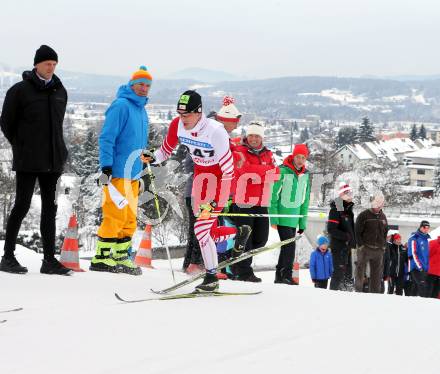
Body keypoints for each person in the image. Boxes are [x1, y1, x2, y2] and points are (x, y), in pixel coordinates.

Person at [143, 90, 251, 292]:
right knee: (204, 232)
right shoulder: (177, 125)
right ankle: (236, 236)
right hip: (201, 181)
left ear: (198, 112)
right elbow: (165, 151)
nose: (183, 119)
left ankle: (211, 278)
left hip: (219, 182)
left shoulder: (215, 131)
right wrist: (152, 157)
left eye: (187, 115)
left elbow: (228, 171)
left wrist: (219, 199)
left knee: (201, 229)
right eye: (180, 114)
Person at [0, 45, 71, 275]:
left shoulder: (60, 91)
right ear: (36, 65)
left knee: (49, 209)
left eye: (54, 64)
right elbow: (6, 123)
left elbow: (57, 126)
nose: (51, 68)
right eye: (47, 63)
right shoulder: (20, 91)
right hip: (28, 159)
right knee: (21, 205)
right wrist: (21, 146)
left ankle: (49, 260)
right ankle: (8, 257)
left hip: (53, 160)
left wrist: (60, 151)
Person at [89, 66, 153, 275]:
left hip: (133, 173)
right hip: (116, 172)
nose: (144, 88)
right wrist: (106, 167)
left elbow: (137, 141)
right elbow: (107, 138)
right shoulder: (121, 106)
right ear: (132, 85)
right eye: (140, 84)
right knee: (115, 215)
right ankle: (101, 257)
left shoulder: (141, 109)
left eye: (147, 85)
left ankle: (120, 255)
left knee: (130, 217)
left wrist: (144, 158)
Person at [229, 122, 277, 282]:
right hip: (243, 200)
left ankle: (235, 261)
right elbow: (244, 171)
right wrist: (265, 171)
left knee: (260, 239)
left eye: (257, 136)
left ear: (262, 137)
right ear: (247, 136)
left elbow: (276, 174)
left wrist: (257, 171)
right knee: (245, 238)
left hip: (261, 201)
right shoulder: (240, 151)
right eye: (251, 135)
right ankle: (243, 271)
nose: (254, 139)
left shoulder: (268, 154)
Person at [269, 144, 311, 285]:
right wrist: (273, 217)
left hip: (295, 218)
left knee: (287, 246)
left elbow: (305, 201)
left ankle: (279, 276)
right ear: (293, 156)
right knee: (289, 247)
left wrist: (302, 222)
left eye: (303, 158)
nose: (300, 160)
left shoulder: (305, 176)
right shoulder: (282, 171)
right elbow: (273, 196)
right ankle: (285, 275)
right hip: (282, 216)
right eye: (298, 157)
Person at [354, 194, 388, 293]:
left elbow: (385, 231)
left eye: (381, 203)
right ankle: (358, 291)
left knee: (377, 275)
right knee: (360, 271)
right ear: (373, 202)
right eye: (377, 202)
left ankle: (374, 295)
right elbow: (357, 231)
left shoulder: (383, 216)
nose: (379, 205)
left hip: (378, 250)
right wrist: (361, 246)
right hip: (365, 249)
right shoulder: (363, 215)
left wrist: (383, 246)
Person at [327, 182, 356, 291]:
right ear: (341, 195)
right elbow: (331, 229)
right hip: (338, 247)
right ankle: (332, 294)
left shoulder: (348, 210)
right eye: (347, 193)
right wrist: (346, 237)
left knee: (348, 275)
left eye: (351, 192)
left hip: (347, 247)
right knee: (339, 273)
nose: (350, 195)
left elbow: (350, 228)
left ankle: (346, 296)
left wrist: (353, 240)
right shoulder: (336, 209)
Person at [181, 153, 204, 274]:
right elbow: (189, 166)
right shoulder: (196, 144)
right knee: (197, 229)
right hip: (195, 194)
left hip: (210, 194)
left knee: (204, 229)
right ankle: (193, 263)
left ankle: (193, 263)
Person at [407, 220, 431, 297]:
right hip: (416, 267)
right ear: (420, 227)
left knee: (415, 287)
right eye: (424, 227)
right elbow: (413, 253)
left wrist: (426, 267)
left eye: (428, 227)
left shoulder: (426, 239)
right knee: (423, 288)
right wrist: (420, 267)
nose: (426, 229)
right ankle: (424, 306)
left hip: (424, 268)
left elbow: (426, 255)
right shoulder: (414, 238)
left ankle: (413, 305)